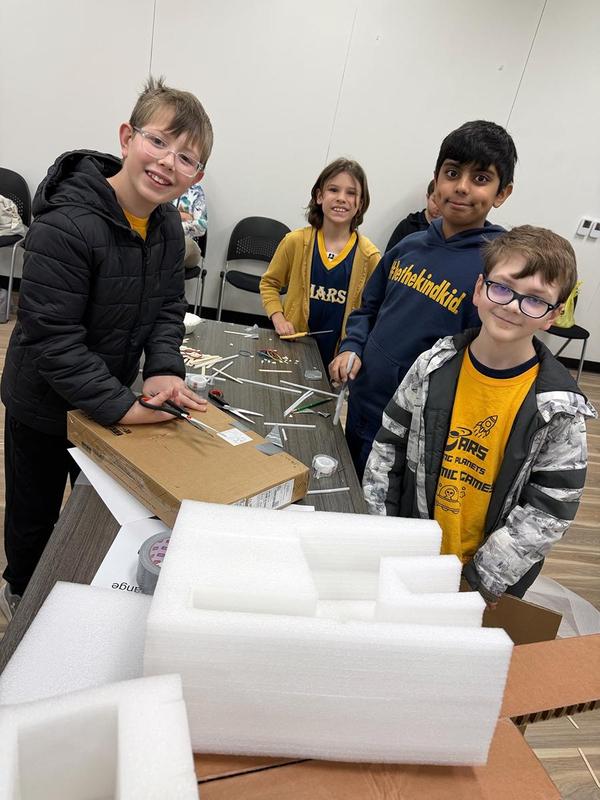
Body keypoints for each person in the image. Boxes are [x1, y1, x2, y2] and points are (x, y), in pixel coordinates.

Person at [0, 77, 213, 619]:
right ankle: (21, 596)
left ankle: (82, 595)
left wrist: (164, 369)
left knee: (100, 507)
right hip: (44, 406)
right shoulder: (66, 226)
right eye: (158, 142)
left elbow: (168, 306)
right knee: (33, 513)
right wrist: (123, 406)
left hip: (105, 399)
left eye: (186, 158)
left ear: (198, 175)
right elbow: (54, 341)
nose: (168, 162)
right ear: (126, 137)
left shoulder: (167, 225)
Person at [363, 225, 596, 605]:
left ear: (552, 316)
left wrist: (476, 584)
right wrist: (385, 539)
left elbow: (549, 510)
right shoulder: (431, 366)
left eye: (535, 300)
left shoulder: (560, 410)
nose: (511, 306)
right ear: (479, 289)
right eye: (502, 287)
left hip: (487, 584)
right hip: (409, 557)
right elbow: (386, 451)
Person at [330, 120, 517, 480]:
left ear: (501, 193)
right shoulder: (407, 247)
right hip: (362, 401)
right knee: (345, 487)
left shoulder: (497, 270)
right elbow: (368, 308)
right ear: (436, 180)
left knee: (382, 514)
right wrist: (352, 346)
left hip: (414, 428)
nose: (461, 187)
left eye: (480, 178)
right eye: (452, 173)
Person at [259, 158, 380, 368]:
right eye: (334, 190)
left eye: (351, 193)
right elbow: (269, 284)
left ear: (360, 204)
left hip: (336, 360)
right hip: (293, 347)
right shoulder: (295, 242)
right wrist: (278, 318)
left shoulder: (369, 256)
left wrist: (353, 350)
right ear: (319, 196)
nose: (341, 198)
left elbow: (374, 311)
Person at [385, 179, 440, 253]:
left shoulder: (450, 230)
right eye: (435, 200)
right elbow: (389, 258)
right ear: (427, 197)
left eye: (444, 201)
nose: (438, 206)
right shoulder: (407, 226)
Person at [173, 180, 207, 267]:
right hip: (160, 241)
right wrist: (183, 216)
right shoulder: (163, 184)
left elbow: (201, 227)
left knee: (181, 244)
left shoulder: (196, 191)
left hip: (188, 244)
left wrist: (174, 227)